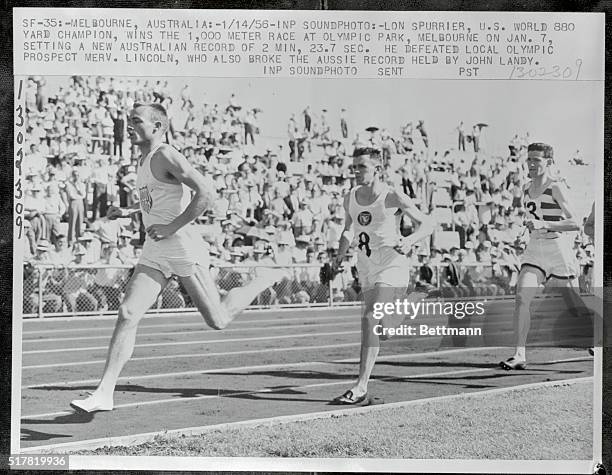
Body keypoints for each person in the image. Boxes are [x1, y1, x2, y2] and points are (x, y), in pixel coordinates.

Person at [71, 103, 286, 412]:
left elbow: (206, 192)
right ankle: (104, 392)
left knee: (219, 320)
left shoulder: (165, 154)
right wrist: (130, 212)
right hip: (155, 247)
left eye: (136, 121)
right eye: (128, 120)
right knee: (128, 314)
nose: (128, 126)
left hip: (182, 245)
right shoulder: (144, 159)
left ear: (158, 127)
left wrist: (172, 226)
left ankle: (262, 279)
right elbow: (160, 203)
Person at [329, 147, 434, 404]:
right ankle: (414, 300)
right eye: (354, 166)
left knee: (370, 317)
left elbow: (429, 223)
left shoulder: (392, 196)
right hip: (366, 266)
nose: (355, 171)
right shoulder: (350, 197)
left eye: (361, 167)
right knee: (383, 330)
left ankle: (361, 386)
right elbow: (347, 230)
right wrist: (338, 257)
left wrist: (410, 241)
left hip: (392, 265)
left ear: (378, 169)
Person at [500, 143, 587, 370]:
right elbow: (532, 219)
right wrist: (524, 233)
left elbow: (576, 223)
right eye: (529, 159)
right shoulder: (526, 189)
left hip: (557, 248)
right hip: (535, 249)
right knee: (521, 298)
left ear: (548, 162)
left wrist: (544, 224)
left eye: (536, 160)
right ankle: (519, 354)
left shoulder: (555, 187)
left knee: (574, 308)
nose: (531, 163)